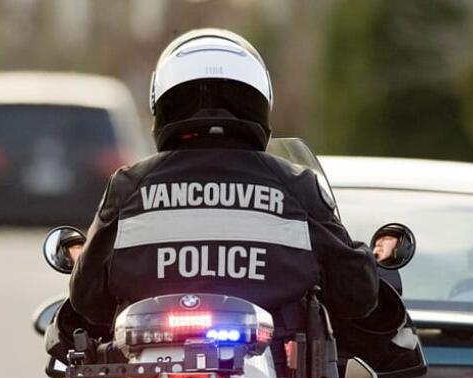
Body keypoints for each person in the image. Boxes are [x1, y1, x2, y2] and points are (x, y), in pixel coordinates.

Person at [52, 28, 387, 354]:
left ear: (163, 101)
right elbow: (355, 293)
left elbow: (88, 299)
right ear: (259, 99)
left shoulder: (130, 185)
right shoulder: (295, 184)